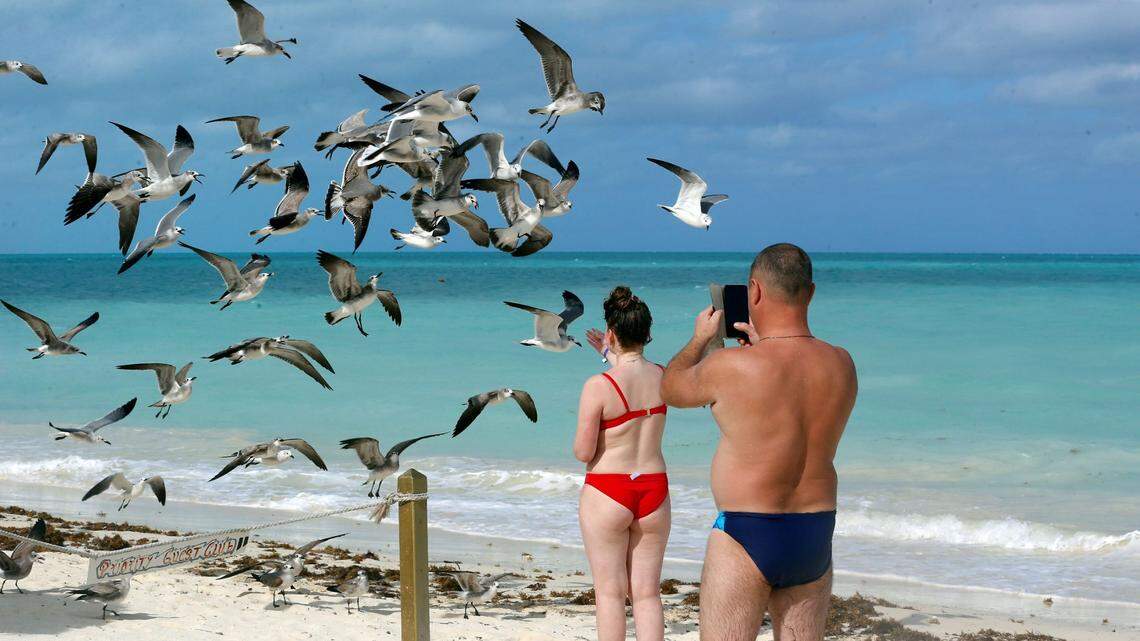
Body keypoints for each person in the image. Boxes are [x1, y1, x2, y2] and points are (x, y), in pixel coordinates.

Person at [661, 243, 857, 641]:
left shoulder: (730, 366)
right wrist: (757, 353)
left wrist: (700, 339)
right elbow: (787, 383)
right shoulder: (842, 363)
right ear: (810, 293)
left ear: (754, 291)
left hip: (746, 529)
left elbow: (671, 387)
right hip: (815, 531)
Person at [574, 286, 670, 641]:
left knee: (610, 594)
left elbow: (584, 452)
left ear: (611, 333)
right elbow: (635, 372)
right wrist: (609, 353)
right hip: (654, 490)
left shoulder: (598, 386)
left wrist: (609, 355)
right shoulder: (664, 376)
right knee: (647, 594)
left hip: (609, 490)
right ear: (647, 333)